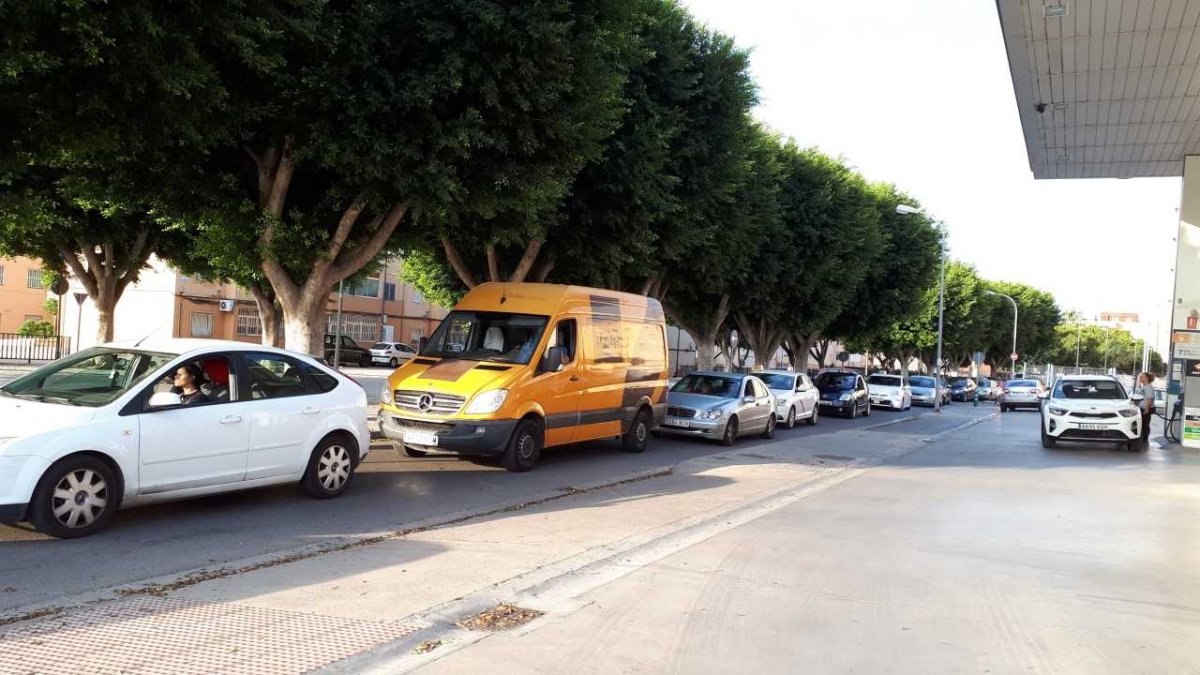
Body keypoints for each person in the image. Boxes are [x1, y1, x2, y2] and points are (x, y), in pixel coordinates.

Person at [1137, 372, 1156, 447]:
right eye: (1140, 376)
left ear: (1147, 378)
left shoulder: (1148, 387)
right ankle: (1143, 439)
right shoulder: (1144, 387)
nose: (1140, 378)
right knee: (1142, 424)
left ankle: (1144, 440)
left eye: (1142, 377)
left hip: (1145, 409)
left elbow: (1150, 398)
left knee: (1145, 425)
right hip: (1141, 408)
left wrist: (1147, 409)